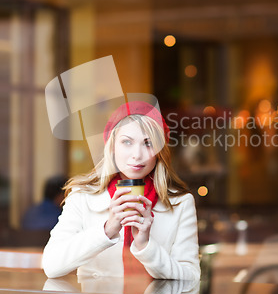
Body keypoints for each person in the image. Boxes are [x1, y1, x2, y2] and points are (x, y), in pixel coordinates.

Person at [42, 101, 201, 282]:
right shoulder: (82, 196)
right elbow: (51, 265)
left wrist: (146, 245)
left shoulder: (181, 203)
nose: (137, 155)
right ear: (112, 146)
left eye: (148, 144)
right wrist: (107, 230)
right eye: (127, 142)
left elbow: (191, 277)